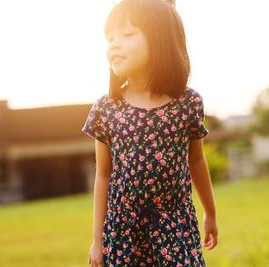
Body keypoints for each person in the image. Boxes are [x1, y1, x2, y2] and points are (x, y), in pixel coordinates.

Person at [82, 0, 218, 266]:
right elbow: (103, 174)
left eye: (128, 34)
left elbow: (197, 161)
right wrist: (98, 240)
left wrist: (210, 213)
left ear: (161, 41)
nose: (115, 44)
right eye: (110, 38)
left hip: (175, 225)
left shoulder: (187, 103)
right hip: (123, 232)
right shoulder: (107, 108)